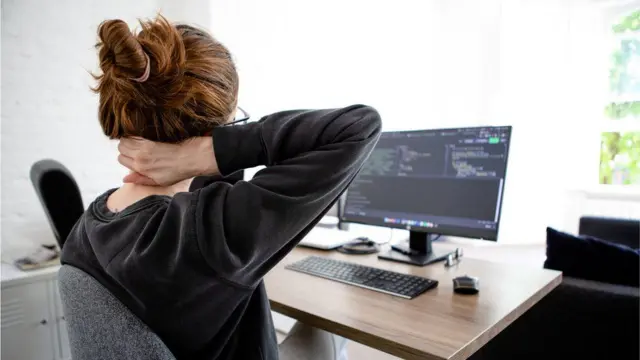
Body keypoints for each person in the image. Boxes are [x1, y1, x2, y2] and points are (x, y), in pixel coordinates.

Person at [60, 14, 381, 360]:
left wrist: (205, 147)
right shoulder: (211, 237)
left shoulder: (92, 224)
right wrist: (214, 150)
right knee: (326, 334)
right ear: (217, 128)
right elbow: (359, 127)